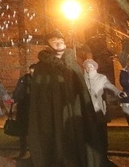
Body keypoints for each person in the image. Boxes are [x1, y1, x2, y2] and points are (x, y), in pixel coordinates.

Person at [28, 31, 105, 167]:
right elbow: (39, 95)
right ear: (48, 45)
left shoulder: (73, 64)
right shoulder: (41, 67)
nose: (58, 45)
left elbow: (81, 90)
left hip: (74, 110)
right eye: (54, 42)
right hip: (52, 112)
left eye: (61, 42)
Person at [83, 59, 121, 160]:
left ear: (95, 67)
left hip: (99, 110)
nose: (89, 68)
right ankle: (93, 156)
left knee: (101, 133)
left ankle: (104, 154)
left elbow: (110, 87)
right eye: (87, 66)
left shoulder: (101, 78)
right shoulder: (83, 79)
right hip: (87, 111)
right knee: (90, 134)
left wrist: (118, 93)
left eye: (91, 66)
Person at [12, 63, 36, 159]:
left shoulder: (38, 80)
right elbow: (18, 91)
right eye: (31, 71)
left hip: (33, 109)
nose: (32, 73)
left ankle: (31, 152)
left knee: (31, 132)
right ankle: (23, 151)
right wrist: (14, 99)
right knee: (23, 132)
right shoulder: (23, 79)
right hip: (24, 108)